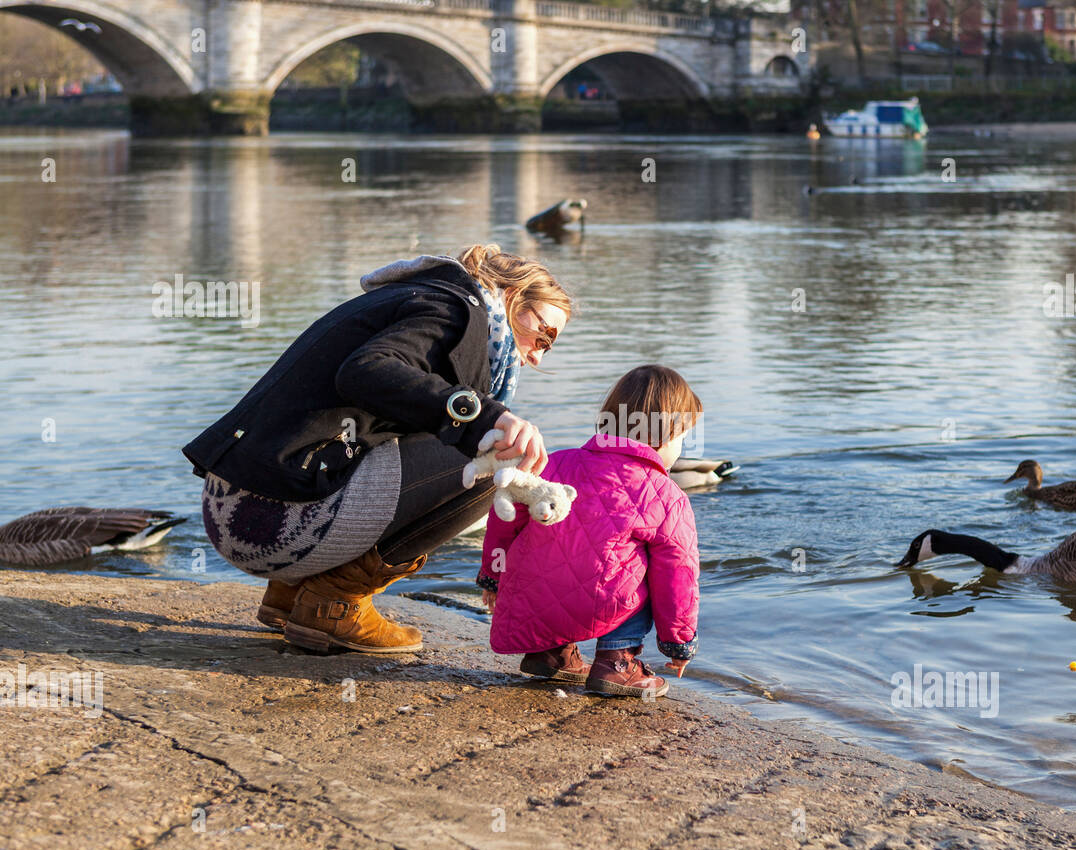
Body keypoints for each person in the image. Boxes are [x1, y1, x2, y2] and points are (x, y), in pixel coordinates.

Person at [182, 245, 571, 654]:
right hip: (275, 523)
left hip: (233, 512)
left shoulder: (418, 297)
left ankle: (291, 593)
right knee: (496, 458)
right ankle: (334, 603)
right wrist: (484, 416)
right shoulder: (454, 313)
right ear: (511, 295)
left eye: (551, 345)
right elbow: (365, 371)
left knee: (452, 434)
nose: (539, 354)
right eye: (544, 334)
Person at [477, 365, 702, 698]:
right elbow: (678, 575)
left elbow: (504, 519)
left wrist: (492, 578)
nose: (681, 448)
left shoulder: (554, 463)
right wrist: (678, 641)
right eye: (683, 438)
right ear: (664, 436)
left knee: (554, 549)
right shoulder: (667, 496)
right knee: (643, 569)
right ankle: (618, 661)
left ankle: (549, 653)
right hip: (602, 605)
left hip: (534, 597)